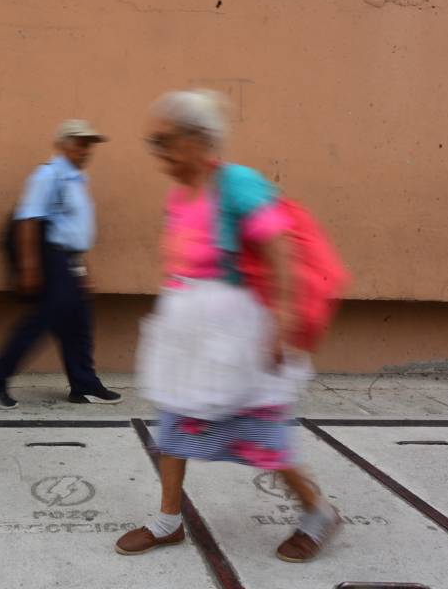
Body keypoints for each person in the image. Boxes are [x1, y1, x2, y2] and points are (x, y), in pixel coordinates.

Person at [115, 90, 340, 562]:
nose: (159, 154)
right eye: (154, 143)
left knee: (262, 437)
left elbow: (279, 249)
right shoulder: (180, 194)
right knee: (173, 425)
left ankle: (318, 512)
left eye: (165, 141)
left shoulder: (237, 184)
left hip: (238, 338)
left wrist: (282, 321)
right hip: (191, 337)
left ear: (199, 140)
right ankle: (168, 521)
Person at [0, 120, 122, 409]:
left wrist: (83, 268)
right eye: (80, 143)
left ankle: (84, 384)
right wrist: (29, 268)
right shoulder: (49, 175)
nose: (86, 149)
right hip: (51, 258)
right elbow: (28, 220)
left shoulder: (76, 179)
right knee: (42, 320)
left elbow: (72, 229)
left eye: (89, 144)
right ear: (64, 144)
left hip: (69, 259)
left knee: (78, 322)